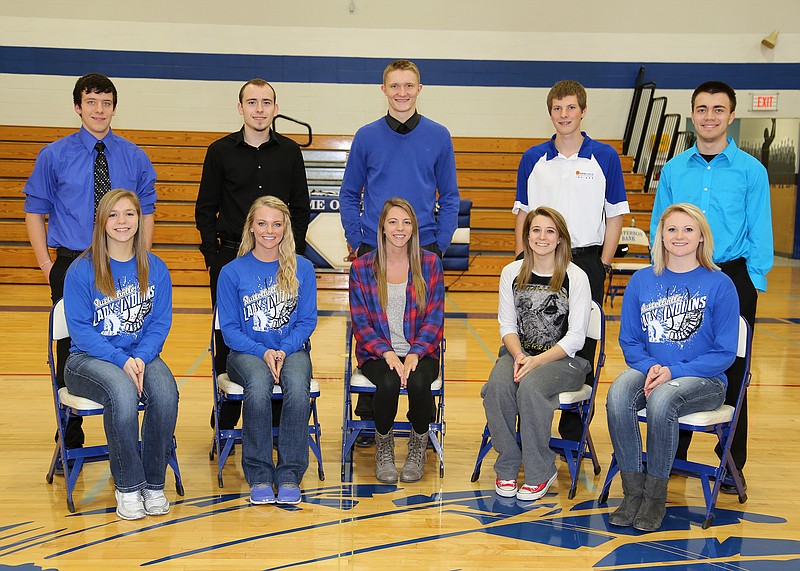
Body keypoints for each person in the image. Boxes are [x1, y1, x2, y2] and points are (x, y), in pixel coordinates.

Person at [24, 73, 157, 454]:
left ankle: (131, 410)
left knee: (129, 332)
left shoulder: (134, 156)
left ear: (114, 107)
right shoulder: (54, 155)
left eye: (106, 103)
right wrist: (45, 264)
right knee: (71, 344)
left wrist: (142, 258)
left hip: (125, 265)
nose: (99, 110)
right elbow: (34, 210)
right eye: (91, 102)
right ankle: (71, 427)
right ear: (78, 107)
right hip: (73, 263)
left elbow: (146, 211)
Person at [651, 81, 772, 493]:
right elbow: (659, 226)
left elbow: (760, 230)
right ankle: (674, 454)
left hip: (733, 277)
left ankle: (730, 464)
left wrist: (750, 282)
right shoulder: (673, 169)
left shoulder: (751, 171)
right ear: (692, 114)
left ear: (731, 116)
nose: (709, 117)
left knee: (734, 369)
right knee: (676, 361)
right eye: (702, 109)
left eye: (718, 110)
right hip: (682, 277)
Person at [339, 59, 458, 442]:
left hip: (420, 253)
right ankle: (372, 419)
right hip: (375, 251)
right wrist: (358, 241)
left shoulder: (439, 135)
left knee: (414, 329)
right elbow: (348, 194)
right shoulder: (366, 136)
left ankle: (419, 420)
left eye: (409, 85)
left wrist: (437, 246)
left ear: (419, 89)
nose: (402, 92)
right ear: (384, 89)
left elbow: (450, 197)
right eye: (395, 85)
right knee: (375, 330)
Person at [607, 203, 739, 532]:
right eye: (672, 229)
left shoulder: (720, 284)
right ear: (661, 237)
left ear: (700, 238)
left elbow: (725, 352)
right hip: (653, 370)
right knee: (619, 393)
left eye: (688, 229)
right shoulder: (641, 281)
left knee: (663, 399)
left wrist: (672, 372)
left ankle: (655, 497)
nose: (679, 236)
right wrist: (653, 367)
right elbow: (630, 342)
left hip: (705, 380)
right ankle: (632, 493)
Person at [513, 79, 629, 443]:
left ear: (582, 110)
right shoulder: (533, 158)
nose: (564, 115)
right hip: (539, 261)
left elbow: (615, 215)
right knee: (533, 336)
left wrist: (604, 263)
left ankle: (573, 430)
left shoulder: (604, 157)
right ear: (550, 113)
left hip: (586, 260)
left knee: (582, 342)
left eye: (570, 108)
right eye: (557, 109)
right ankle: (530, 423)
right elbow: (522, 214)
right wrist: (521, 260)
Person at [195, 78, 310, 432]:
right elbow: (205, 208)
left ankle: (276, 418)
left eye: (266, 102)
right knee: (227, 335)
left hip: (281, 261)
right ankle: (228, 415)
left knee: (281, 326)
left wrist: (292, 258)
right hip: (230, 259)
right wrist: (215, 257)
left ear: (276, 109)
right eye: (252, 102)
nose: (259, 109)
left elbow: (301, 209)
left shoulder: (290, 152)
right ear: (240, 107)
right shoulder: (219, 151)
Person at [63, 190, 177, 521]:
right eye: (113, 215)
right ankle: (127, 487)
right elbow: (82, 332)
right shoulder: (82, 269)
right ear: (101, 221)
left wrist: (140, 357)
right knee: (122, 392)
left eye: (129, 214)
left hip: (140, 356)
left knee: (167, 394)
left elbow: (159, 323)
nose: (122, 221)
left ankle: (153, 484)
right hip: (88, 360)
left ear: (139, 220)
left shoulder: (155, 267)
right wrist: (123, 360)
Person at [482, 207, 592, 501]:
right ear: (527, 236)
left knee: (530, 387)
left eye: (550, 231)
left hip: (563, 360)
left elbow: (576, 338)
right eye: (536, 230)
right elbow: (506, 324)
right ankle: (507, 464)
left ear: (560, 239)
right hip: (519, 353)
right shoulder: (511, 272)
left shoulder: (576, 277)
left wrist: (536, 361)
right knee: (497, 387)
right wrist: (519, 356)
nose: (542, 237)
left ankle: (540, 470)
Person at [217, 196, 317, 505]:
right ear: (250, 228)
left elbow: (306, 320)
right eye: (262, 223)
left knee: (298, 388)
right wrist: (263, 353)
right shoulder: (232, 272)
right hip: (246, 353)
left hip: (291, 351)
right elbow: (231, 330)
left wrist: (284, 351)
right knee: (258, 386)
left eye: (276, 224)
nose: (269, 230)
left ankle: (289, 474)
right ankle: (259, 474)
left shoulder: (304, 267)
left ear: (286, 227)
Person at [349, 198, 444, 483]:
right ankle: (385, 448)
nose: (399, 228)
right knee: (388, 381)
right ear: (382, 227)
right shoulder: (363, 267)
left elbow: (434, 318)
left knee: (418, 381)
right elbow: (361, 323)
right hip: (376, 353)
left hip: (422, 350)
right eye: (393, 222)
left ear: (414, 228)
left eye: (406, 222)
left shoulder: (429, 264)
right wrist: (387, 353)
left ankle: (417, 446)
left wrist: (414, 353)